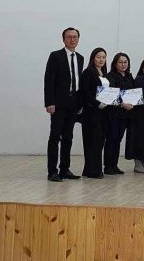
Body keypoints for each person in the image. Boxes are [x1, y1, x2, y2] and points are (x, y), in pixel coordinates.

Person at [43, 27, 84, 182]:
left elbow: (78, 81)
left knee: (68, 137)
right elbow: (49, 80)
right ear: (63, 39)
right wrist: (49, 102)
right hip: (58, 103)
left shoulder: (80, 58)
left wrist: (80, 103)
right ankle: (52, 171)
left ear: (78, 39)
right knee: (55, 136)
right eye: (69, 37)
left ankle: (64, 169)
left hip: (73, 103)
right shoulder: (55, 56)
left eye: (75, 37)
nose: (72, 39)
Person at [79, 47, 109, 179]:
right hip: (91, 112)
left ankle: (90, 169)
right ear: (93, 58)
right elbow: (85, 93)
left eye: (103, 57)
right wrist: (97, 103)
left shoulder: (103, 73)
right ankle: (93, 170)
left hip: (102, 113)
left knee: (100, 140)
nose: (101, 60)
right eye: (98, 57)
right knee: (92, 141)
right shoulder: (88, 72)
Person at [104, 52, 135, 175]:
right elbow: (111, 93)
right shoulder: (110, 76)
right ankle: (108, 166)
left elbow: (133, 92)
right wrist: (123, 104)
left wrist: (133, 102)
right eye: (120, 62)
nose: (123, 64)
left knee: (118, 139)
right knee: (111, 139)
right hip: (114, 113)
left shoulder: (129, 76)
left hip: (126, 114)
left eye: (125, 62)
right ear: (115, 64)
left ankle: (114, 165)